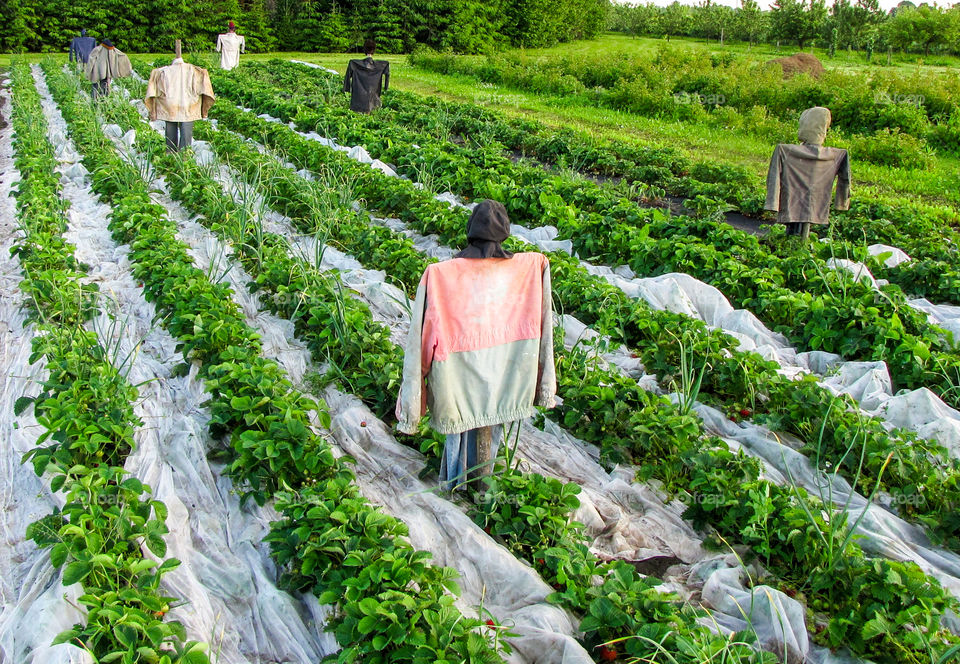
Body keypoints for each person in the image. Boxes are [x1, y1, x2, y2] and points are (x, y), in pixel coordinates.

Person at [396, 200, 556, 491]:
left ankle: (462, 485)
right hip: (503, 379)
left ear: (470, 233)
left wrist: (412, 408)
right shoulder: (526, 270)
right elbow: (543, 330)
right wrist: (544, 387)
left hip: (459, 384)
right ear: (504, 233)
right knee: (489, 428)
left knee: (463, 425)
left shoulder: (443, 276)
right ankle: (483, 486)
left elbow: (417, 348)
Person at [765, 106, 851, 239]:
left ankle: (792, 241)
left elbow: (773, 178)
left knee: (792, 235)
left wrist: (772, 202)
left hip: (792, 201)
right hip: (816, 201)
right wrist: (842, 203)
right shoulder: (835, 155)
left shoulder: (786, 151)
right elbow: (845, 180)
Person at [145, 42, 215, 152]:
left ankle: (171, 156)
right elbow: (206, 90)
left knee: (170, 133)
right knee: (186, 134)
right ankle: (184, 157)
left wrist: (153, 111)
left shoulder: (163, 72)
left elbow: (153, 92)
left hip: (169, 106)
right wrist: (204, 110)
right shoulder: (194, 71)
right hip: (189, 106)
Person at [344, 39, 390, 113]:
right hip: (373, 98)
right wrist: (386, 87)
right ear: (374, 50)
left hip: (358, 99)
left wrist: (347, 88)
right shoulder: (381, 65)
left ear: (364, 50)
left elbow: (347, 77)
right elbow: (387, 74)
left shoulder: (354, 64)